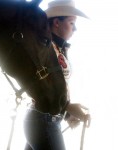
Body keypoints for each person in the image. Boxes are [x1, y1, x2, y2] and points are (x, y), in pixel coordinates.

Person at [23, 1, 90, 150]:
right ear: (57, 23)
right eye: (72, 23)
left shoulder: (56, 47)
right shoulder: (44, 48)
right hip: (43, 118)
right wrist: (68, 107)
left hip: (46, 118)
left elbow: (53, 85)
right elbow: (42, 87)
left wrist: (66, 114)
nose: (76, 29)